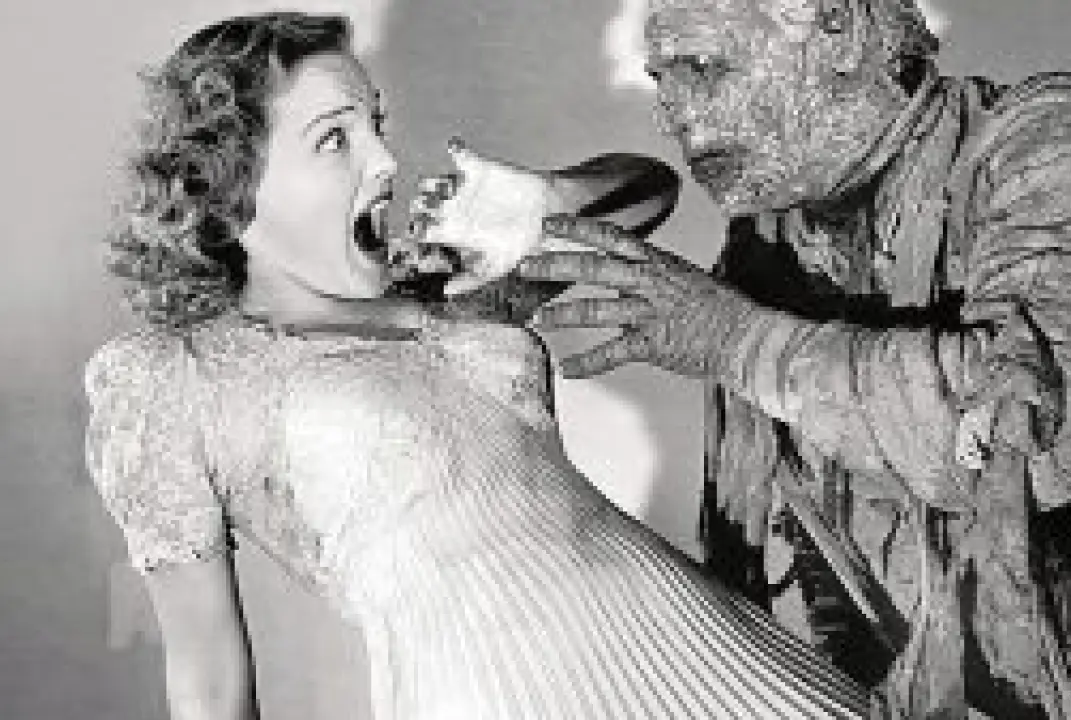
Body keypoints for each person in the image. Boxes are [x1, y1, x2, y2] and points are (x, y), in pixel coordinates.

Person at [83, 11, 889, 720]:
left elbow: (646, 192)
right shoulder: (173, 376)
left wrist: (546, 197)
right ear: (225, 189)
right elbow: (208, 685)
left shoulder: (447, 286)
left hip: (725, 660)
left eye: (376, 125)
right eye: (335, 138)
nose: (384, 159)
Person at [518, 0, 1071, 717]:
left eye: (703, 68)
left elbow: (1032, 446)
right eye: (662, 78)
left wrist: (736, 340)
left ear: (839, 32)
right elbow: (799, 564)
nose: (672, 113)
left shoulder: (1064, 144)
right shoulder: (769, 248)